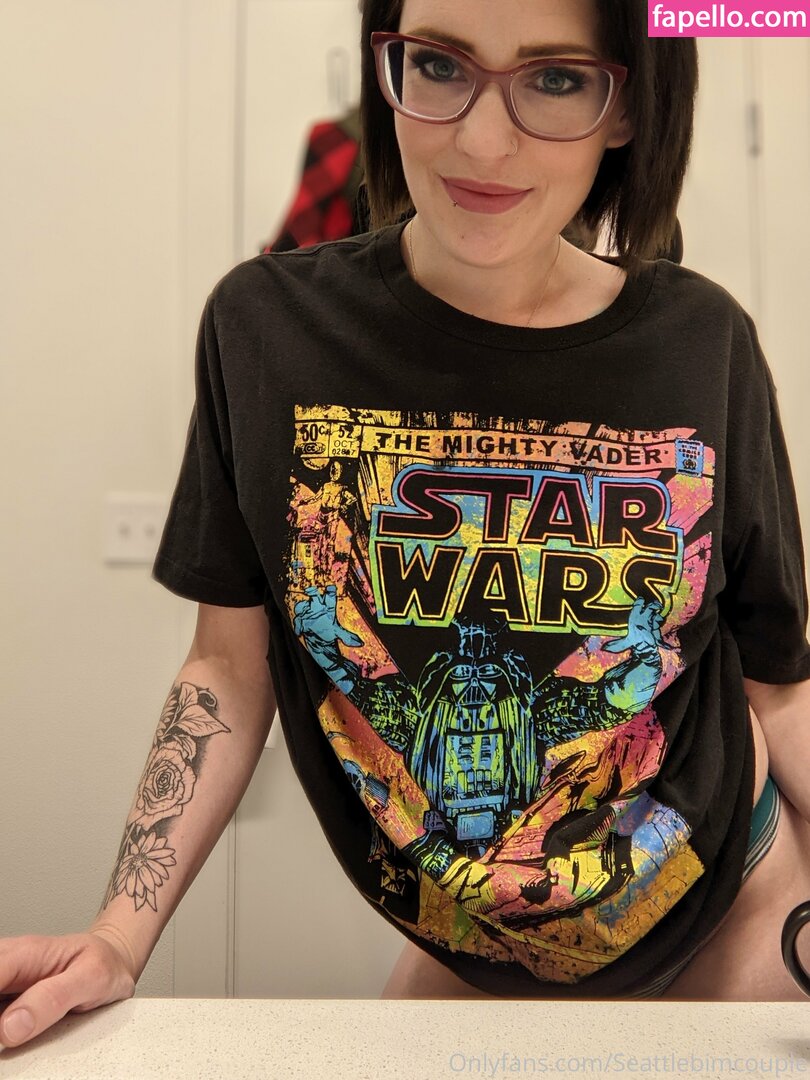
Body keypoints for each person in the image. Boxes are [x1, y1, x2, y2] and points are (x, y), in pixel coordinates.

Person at [2, 0, 810, 1049]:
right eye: (439, 65)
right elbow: (229, 670)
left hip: (740, 921)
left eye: (556, 78)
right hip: (478, 951)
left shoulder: (704, 345)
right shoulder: (268, 334)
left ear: (627, 107)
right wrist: (118, 936)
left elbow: (777, 684)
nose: (483, 140)